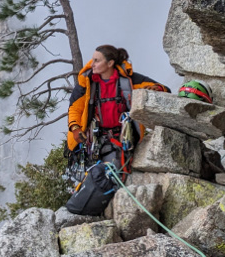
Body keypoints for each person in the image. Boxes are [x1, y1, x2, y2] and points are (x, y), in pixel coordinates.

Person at [64, 45, 169, 214]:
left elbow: (162, 89)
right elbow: (75, 108)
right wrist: (75, 128)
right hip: (95, 140)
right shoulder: (88, 83)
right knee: (92, 174)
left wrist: (155, 90)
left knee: (110, 175)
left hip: (121, 139)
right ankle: (84, 204)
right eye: (93, 60)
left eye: (97, 60)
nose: (92, 64)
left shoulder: (129, 81)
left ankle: (100, 208)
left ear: (110, 63)